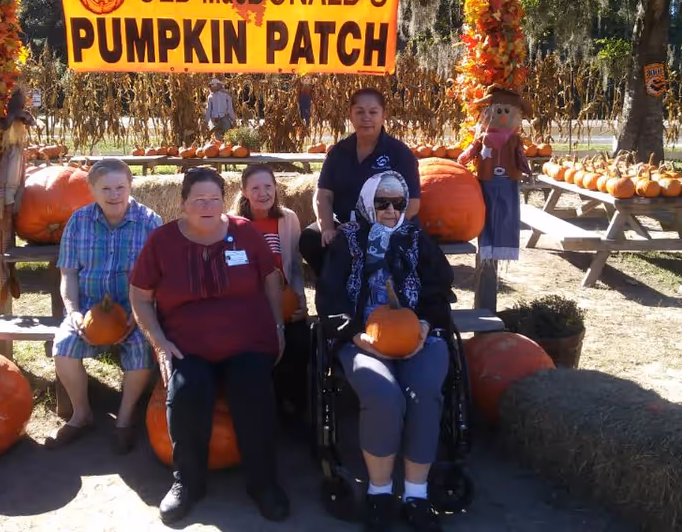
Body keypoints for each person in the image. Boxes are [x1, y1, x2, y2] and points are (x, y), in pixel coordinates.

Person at [129, 167, 290, 524]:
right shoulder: (162, 242)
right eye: (198, 199)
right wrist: (159, 342)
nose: (206, 205)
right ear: (183, 203)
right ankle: (187, 482)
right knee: (187, 393)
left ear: (224, 201)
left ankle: (263, 483)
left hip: (247, 340)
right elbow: (140, 297)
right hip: (188, 345)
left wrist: (277, 325)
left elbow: (270, 279)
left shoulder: (245, 233)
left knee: (253, 391)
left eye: (214, 199)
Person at [317, 171, 456, 532]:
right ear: (366, 203)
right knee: (383, 393)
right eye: (382, 202)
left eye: (398, 202)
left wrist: (425, 325)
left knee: (424, 392)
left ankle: (416, 494)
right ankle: (379, 493)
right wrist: (356, 336)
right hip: (361, 339)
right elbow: (330, 299)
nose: (392, 210)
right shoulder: (346, 241)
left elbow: (439, 291)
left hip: (420, 337)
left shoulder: (417, 238)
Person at [46, 158, 162, 454]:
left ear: (130, 185)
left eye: (120, 187)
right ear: (92, 190)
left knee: (141, 349)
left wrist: (140, 316)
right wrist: (72, 310)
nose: (114, 195)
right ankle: (81, 414)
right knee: (63, 347)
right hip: (88, 310)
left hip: (134, 309)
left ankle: (124, 418)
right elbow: (68, 273)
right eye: (106, 189)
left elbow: (158, 278)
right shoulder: (79, 221)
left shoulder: (149, 222)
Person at [300, 87, 421, 278]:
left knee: (357, 244)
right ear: (351, 115)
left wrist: (381, 229)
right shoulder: (338, 152)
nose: (366, 117)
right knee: (311, 239)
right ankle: (335, 290)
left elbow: (413, 204)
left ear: (383, 116)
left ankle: (366, 292)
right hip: (345, 223)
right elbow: (323, 195)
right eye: (359, 112)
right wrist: (327, 228)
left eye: (373, 112)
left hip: (387, 225)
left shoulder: (399, 153)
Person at [233, 163, 310, 424]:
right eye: (255, 188)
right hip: (251, 306)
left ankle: (293, 404)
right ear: (244, 191)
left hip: (285, 301)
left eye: (268, 186)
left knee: (299, 342)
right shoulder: (234, 225)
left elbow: (296, 266)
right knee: (256, 349)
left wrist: (300, 299)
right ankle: (267, 406)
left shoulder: (287, 219)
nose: (263, 193)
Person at [457, 86, 533, 261]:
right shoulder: (483, 137)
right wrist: (462, 160)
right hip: (487, 181)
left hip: (509, 180)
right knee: (486, 214)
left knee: (508, 214)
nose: (503, 115)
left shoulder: (515, 140)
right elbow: (471, 151)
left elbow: (520, 156)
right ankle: (486, 246)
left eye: (507, 111)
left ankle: (505, 248)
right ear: (488, 113)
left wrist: (526, 170)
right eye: (498, 111)